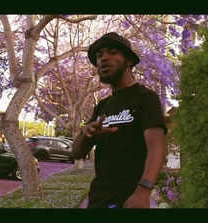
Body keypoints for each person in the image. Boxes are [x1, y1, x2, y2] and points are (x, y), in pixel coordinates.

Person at [72, 32, 167, 208]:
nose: (103, 59)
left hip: (130, 200)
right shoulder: (103, 105)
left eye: (112, 52)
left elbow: (157, 145)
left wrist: (143, 191)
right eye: (99, 56)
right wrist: (84, 133)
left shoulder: (145, 98)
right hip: (98, 200)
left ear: (129, 60)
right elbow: (77, 153)